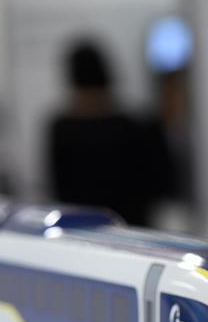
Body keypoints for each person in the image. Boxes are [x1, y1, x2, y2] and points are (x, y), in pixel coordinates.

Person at [47, 40, 172, 227]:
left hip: (85, 235)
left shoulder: (62, 130)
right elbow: (162, 184)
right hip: (131, 232)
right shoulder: (135, 126)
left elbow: (59, 190)